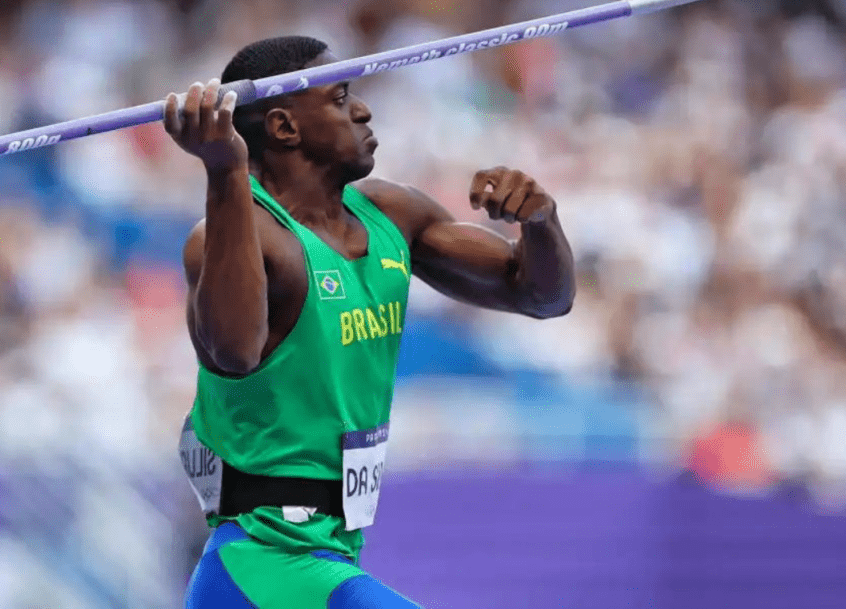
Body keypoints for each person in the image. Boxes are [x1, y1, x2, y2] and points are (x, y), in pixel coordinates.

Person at [167, 36, 576, 609]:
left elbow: (541, 296)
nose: (362, 110)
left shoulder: (392, 214)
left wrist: (540, 223)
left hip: (331, 551)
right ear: (284, 127)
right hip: (264, 558)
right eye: (340, 98)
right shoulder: (236, 238)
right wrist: (224, 170)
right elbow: (233, 351)